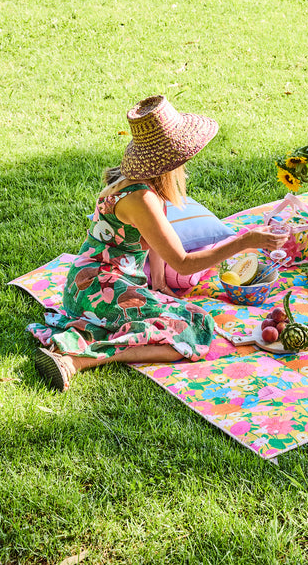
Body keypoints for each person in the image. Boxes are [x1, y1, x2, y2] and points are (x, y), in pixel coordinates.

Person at [29, 95, 287, 391]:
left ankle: (81, 342)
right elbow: (183, 261)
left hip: (89, 284)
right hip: (99, 288)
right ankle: (76, 361)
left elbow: (152, 243)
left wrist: (161, 285)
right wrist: (245, 241)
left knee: (181, 315)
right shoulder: (142, 198)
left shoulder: (133, 183)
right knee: (195, 329)